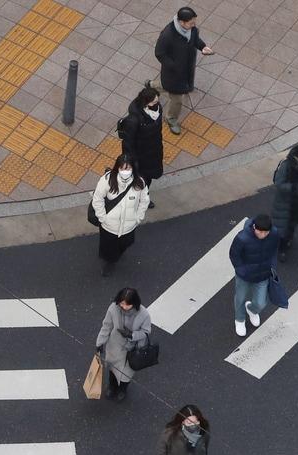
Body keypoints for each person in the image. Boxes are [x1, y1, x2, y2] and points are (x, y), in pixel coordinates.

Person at [150, 7, 214, 135]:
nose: (194, 25)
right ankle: (171, 118)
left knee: (166, 86)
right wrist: (173, 66)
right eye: (191, 23)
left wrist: (203, 47)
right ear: (182, 22)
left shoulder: (191, 29)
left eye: (194, 22)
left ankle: (151, 85)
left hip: (186, 69)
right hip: (174, 73)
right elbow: (159, 53)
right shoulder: (168, 35)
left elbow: (195, 39)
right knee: (177, 99)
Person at [91, 155, 149, 276]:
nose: (125, 172)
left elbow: (144, 201)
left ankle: (115, 257)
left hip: (129, 226)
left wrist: (138, 218)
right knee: (108, 248)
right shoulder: (107, 180)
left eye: (128, 169)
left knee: (126, 243)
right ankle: (110, 263)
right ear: (117, 168)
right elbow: (97, 199)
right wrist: (103, 218)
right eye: (122, 168)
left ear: (133, 168)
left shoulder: (139, 182)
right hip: (109, 226)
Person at [94, 287, 152, 402]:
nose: (124, 307)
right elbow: (106, 326)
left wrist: (131, 335)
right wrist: (100, 342)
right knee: (112, 368)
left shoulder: (144, 314)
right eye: (122, 303)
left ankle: (123, 389)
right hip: (115, 345)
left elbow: (146, 332)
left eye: (127, 305)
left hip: (132, 349)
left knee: (127, 373)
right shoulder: (113, 308)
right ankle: (112, 386)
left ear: (134, 303)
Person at [229, 214, 280, 337]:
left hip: (263, 274)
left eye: (265, 232)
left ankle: (252, 310)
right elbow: (234, 255)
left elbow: (274, 250)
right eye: (260, 231)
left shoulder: (274, 234)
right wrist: (242, 271)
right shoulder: (242, 238)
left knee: (261, 303)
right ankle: (240, 320)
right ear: (254, 227)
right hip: (245, 276)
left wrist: (271, 265)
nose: (262, 235)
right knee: (240, 298)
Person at [119, 87, 164, 194]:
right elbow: (128, 141)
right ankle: (140, 198)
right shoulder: (134, 119)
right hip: (140, 155)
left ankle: (143, 195)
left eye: (157, 101)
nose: (157, 104)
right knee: (141, 179)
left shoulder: (157, 109)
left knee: (148, 178)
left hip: (154, 151)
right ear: (146, 102)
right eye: (154, 102)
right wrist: (131, 159)